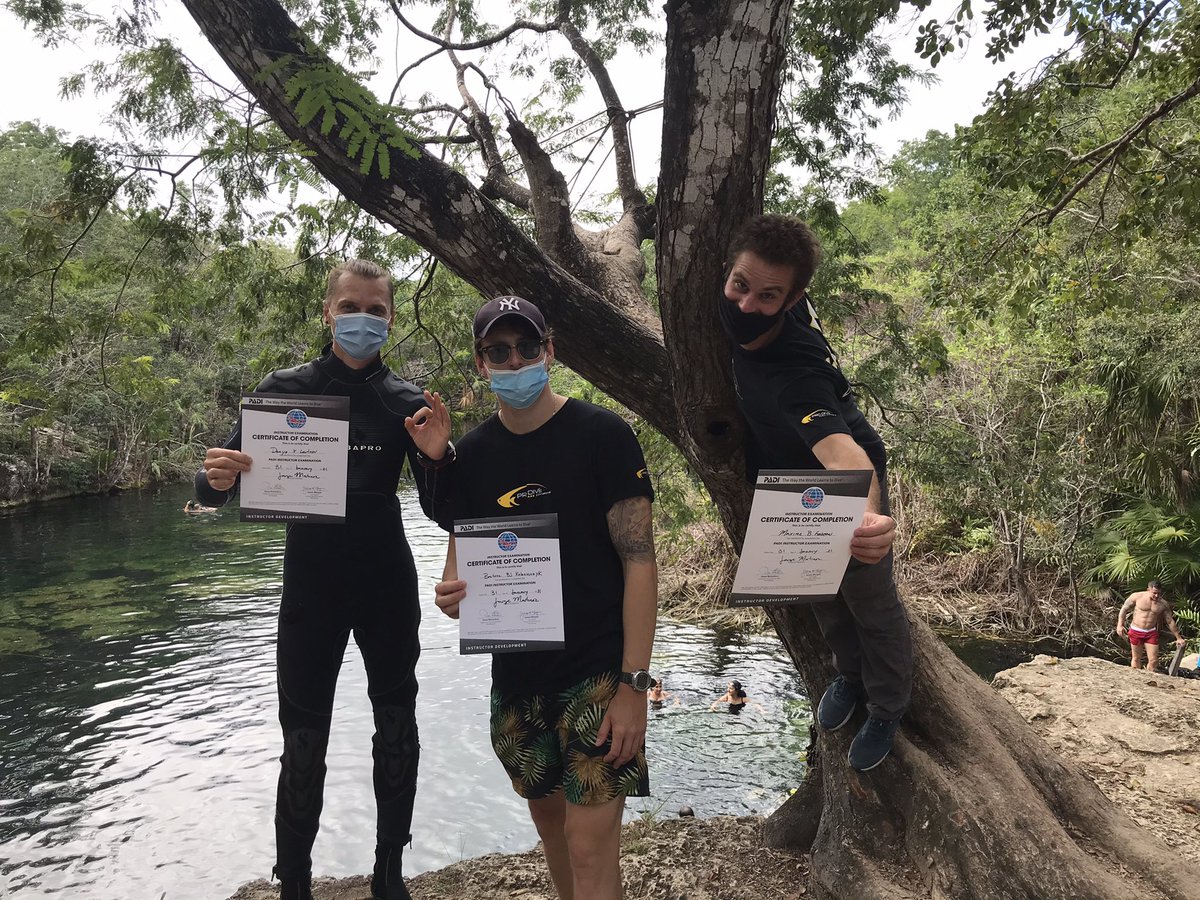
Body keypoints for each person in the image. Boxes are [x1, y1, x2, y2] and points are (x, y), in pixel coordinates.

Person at [194, 260, 453, 900]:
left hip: (386, 586)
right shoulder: (284, 389)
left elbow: (443, 510)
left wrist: (441, 455)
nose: (362, 319)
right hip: (311, 591)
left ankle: (389, 871)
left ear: (390, 318)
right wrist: (214, 477)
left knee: (396, 726)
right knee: (303, 737)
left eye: (376, 309)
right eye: (350, 307)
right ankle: (296, 880)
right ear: (327, 311)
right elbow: (214, 489)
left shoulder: (409, 403)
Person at [431, 295, 657, 900]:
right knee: (552, 832)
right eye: (499, 351)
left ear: (549, 350)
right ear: (482, 363)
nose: (516, 360)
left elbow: (640, 560)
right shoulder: (471, 457)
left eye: (527, 347)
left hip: (599, 675)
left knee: (590, 848)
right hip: (518, 681)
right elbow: (458, 568)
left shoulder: (605, 436)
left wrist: (636, 685)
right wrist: (452, 595)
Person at [716, 214, 912, 772]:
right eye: (739, 285)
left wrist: (868, 521)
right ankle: (849, 677)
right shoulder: (734, 297)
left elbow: (845, 456)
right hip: (784, 485)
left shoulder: (795, 373)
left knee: (871, 603)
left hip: (840, 487)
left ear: (794, 297)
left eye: (768, 296)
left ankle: (887, 708)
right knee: (822, 595)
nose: (748, 305)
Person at [1116, 580, 1186, 672]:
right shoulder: (1137, 596)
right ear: (1148, 589)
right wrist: (1120, 625)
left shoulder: (1163, 604)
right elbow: (1124, 609)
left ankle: (1149, 680)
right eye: (1154, 593)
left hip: (1150, 632)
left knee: (1153, 660)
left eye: (1159, 593)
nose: (1156, 596)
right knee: (1136, 658)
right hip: (1136, 630)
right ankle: (1135, 679)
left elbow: (1169, 621)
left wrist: (1178, 637)